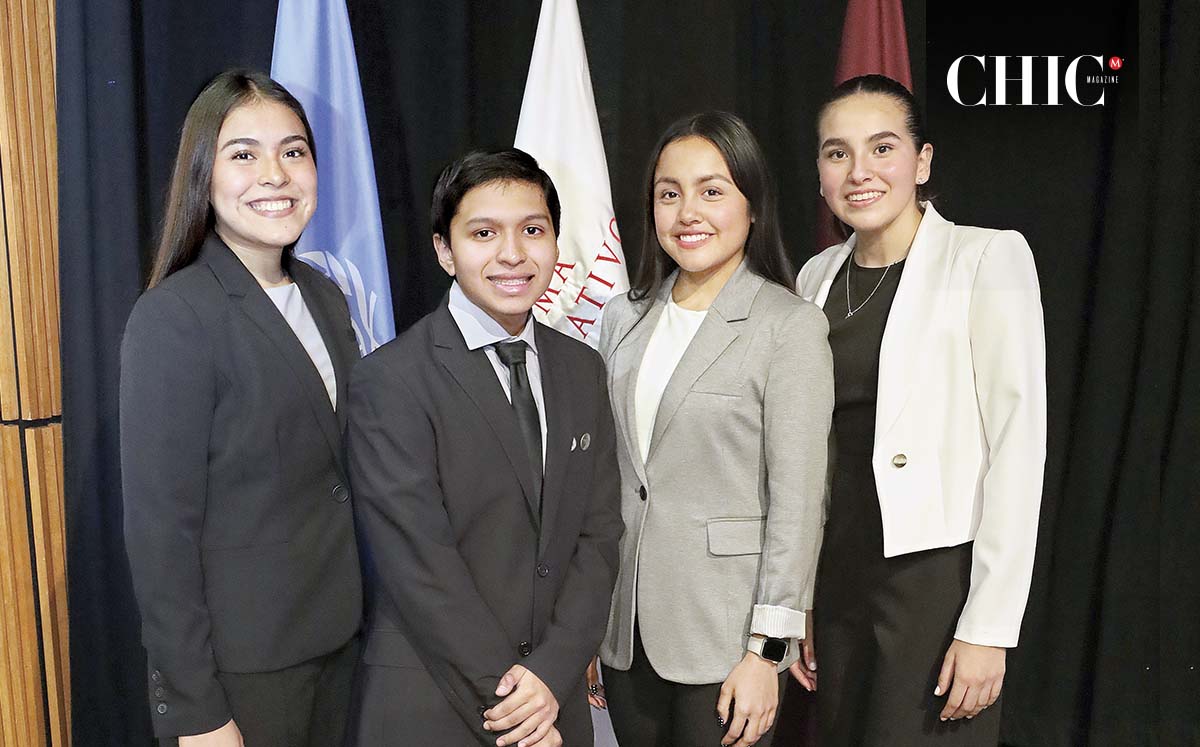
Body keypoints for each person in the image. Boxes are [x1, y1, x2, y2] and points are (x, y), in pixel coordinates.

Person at [793, 74, 1047, 745]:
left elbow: (1018, 450)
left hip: (934, 579)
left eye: (882, 148)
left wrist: (987, 626)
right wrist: (803, 593)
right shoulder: (814, 278)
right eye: (837, 152)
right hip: (839, 571)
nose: (859, 171)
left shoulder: (986, 257)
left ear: (922, 160)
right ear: (819, 169)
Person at [344, 148, 623, 747]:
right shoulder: (389, 381)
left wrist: (550, 675)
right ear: (445, 250)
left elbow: (598, 539)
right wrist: (515, 704)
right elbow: (420, 565)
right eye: (483, 233)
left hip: (555, 702)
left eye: (532, 230)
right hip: (434, 702)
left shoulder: (582, 368)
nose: (512, 254)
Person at [120, 70, 362, 746]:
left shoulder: (324, 295)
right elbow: (160, 535)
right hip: (242, 673)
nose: (275, 174)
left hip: (338, 643)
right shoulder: (173, 318)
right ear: (203, 172)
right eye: (243, 153)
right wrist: (196, 709)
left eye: (293, 151)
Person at [592, 111, 834, 747]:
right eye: (668, 194)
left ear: (752, 205)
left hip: (727, 639)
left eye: (712, 190)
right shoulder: (622, 318)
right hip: (625, 630)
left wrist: (769, 654)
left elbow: (799, 504)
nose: (686, 212)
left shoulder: (790, 327)